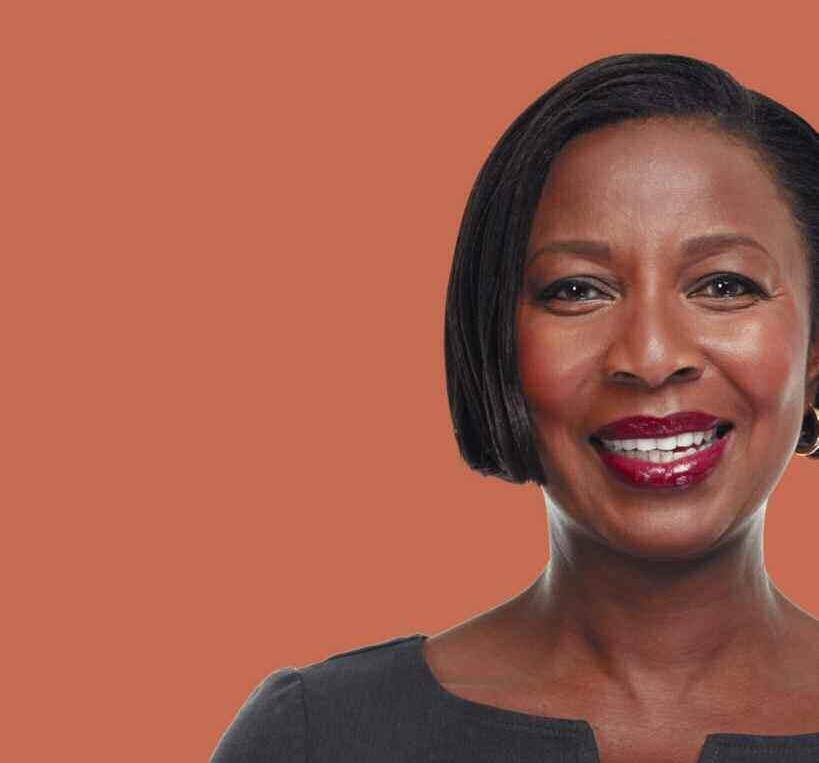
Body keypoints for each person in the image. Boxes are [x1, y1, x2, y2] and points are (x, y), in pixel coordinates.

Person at [210, 53, 819, 762]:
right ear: (497, 339)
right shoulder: (318, 736)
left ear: (815, 350)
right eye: (576, 290)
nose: (651, 357)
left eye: (723, 286)